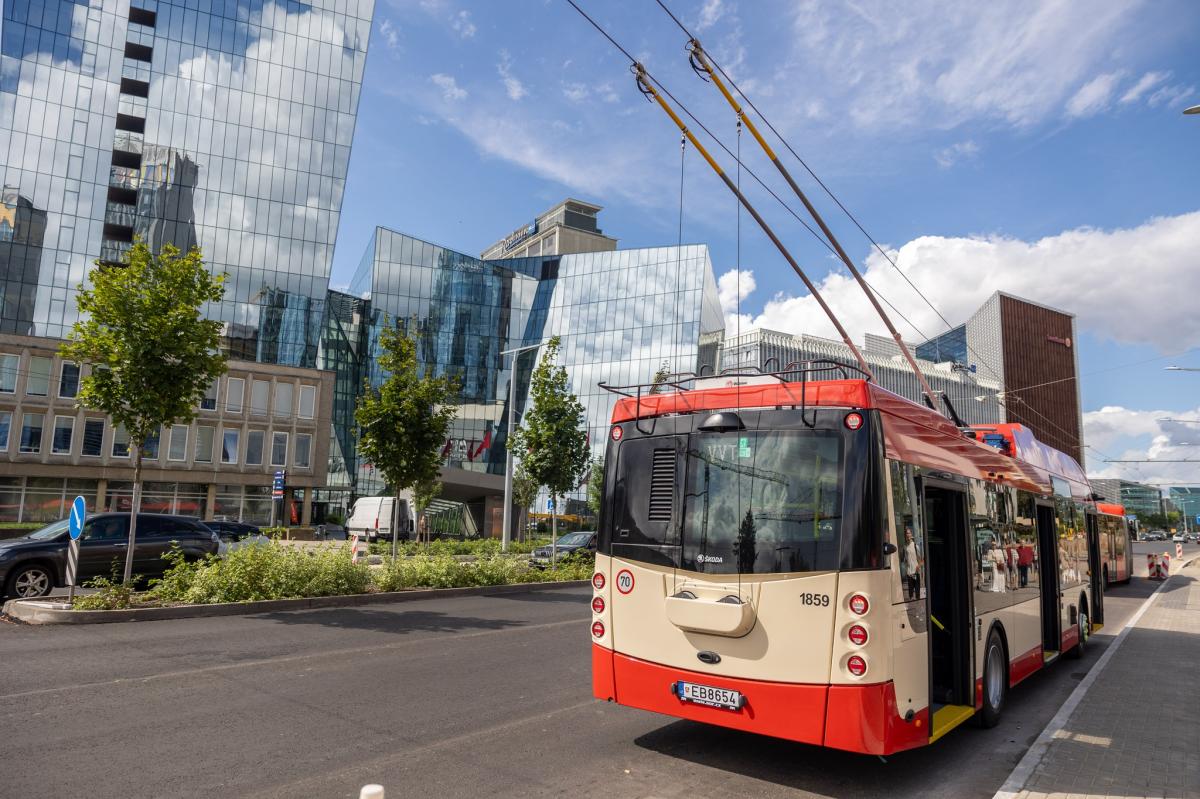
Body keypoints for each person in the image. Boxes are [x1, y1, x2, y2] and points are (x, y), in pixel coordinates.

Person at [901, 527, 922, 600]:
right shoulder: (905, 547)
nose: (908, 535)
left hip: (916, 571)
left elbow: (920, 558)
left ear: (911, 534)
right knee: (910, 593)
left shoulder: (915, 546)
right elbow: (904, 559)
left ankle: (917, 599)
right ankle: (911, 598)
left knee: (917, 593)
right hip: (909, 571)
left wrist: (918, 566)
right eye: (907, 533)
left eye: (909, 533)